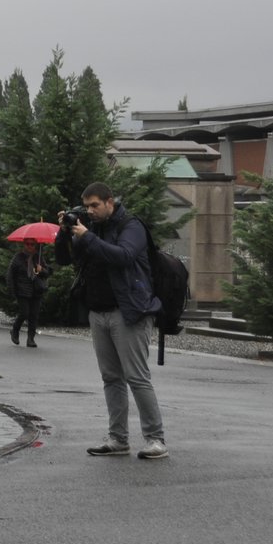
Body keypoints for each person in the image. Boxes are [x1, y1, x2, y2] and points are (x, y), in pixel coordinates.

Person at [56, 181, 167, 460]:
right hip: (99, 311)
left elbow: (124, 256)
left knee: (137, 377)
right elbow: (63, 260)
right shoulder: (90, 228)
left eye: (95, 205)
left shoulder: (132, 226)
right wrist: (65, 233)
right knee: (111, 378)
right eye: (87, 206)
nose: (90, 211)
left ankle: (156, 439)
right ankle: (118, 438)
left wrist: (87, 236)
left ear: (110, 203)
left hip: (129, 310)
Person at [6, 238, 50, 347]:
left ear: (35, 245)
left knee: (34, 315)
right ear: (24, 244)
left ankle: (31, 339)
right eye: (27, 244)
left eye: (32, 244)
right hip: (22, 290)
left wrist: (41, 270)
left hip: (36, 291)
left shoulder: (38, 258)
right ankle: (15, 330)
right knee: (24, 313)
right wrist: (12, 290)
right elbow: (10, 274)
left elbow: (47, 272)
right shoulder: (18, 257)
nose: (29, 246)